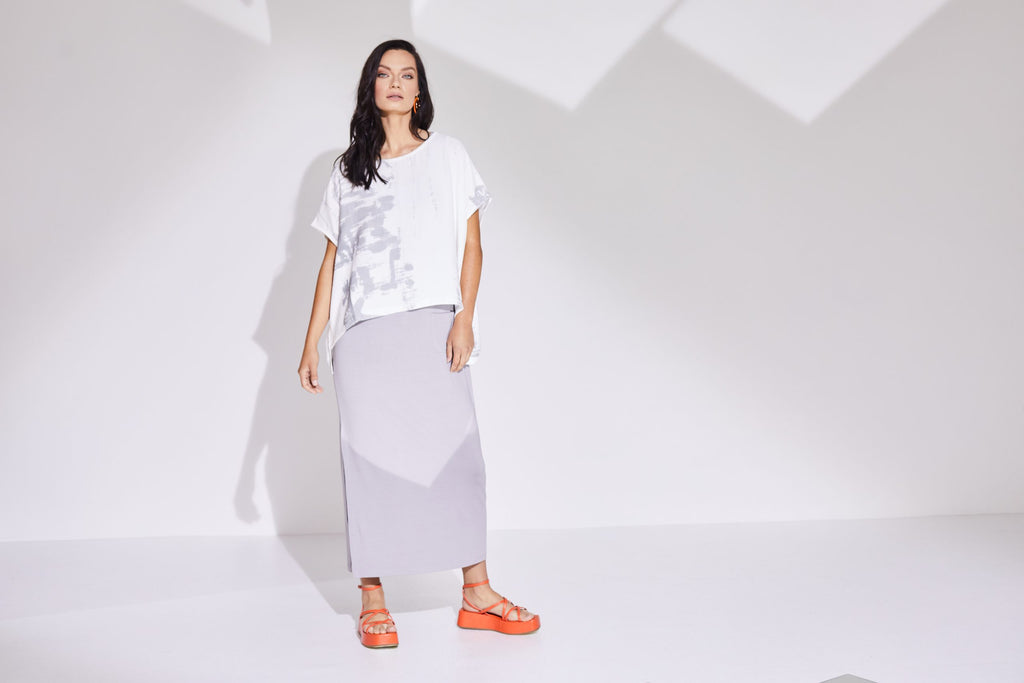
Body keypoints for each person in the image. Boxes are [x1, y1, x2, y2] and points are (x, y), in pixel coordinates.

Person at [297, 39, 539, 649]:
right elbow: (332, 263)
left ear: (419, 90)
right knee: (368, 465)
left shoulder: (449, 155)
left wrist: (464, 318)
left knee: (460, 458)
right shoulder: (347, 171)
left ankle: (477, 592)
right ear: (371, 87)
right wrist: (312, 341)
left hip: (433, 323)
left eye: (407, 75)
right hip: (364, 337)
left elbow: (472, 245)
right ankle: (372, 599)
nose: (396, 83)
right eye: (385, 74)